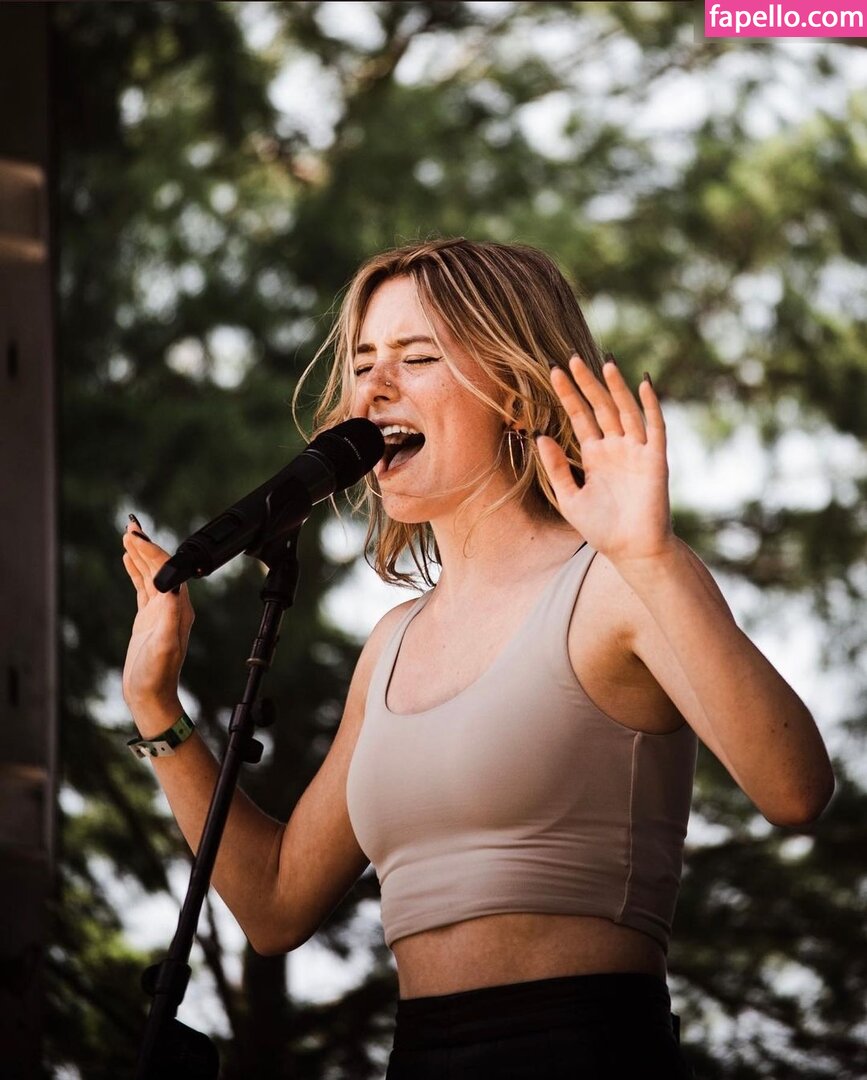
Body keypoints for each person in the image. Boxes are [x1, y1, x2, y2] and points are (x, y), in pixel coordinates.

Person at [121, 238, 835, 1078]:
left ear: (514, 393)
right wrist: (156, 707)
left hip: (585, 1051)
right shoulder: (392, 645)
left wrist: (651, 558)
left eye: (417, 357)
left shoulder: (615, 581)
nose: (373, 388)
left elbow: (794, 790)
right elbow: (275, 905)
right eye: (363, 363)